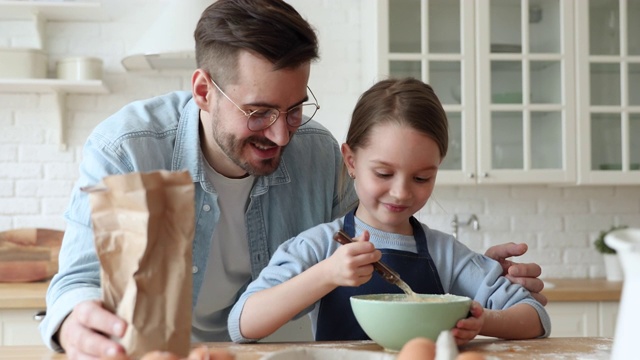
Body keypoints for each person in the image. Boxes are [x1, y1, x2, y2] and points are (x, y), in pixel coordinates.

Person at [39, 1, 546, 358]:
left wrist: (467, 274)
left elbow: (370, 240)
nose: (282, 135)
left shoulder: (318, 151)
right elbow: (78, 282)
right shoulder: (127, 148)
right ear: (202, 90)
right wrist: (76, 321)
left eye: (295, 107)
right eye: (259, 112)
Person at [227, 78, 550, 344]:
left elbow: (535, 316)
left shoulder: (445, 254)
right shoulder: (320, 247)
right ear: (351, 161)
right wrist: (326, 274)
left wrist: (482, 320)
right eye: (383, 173)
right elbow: (243, 324)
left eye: (422, 177)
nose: (401, 192)